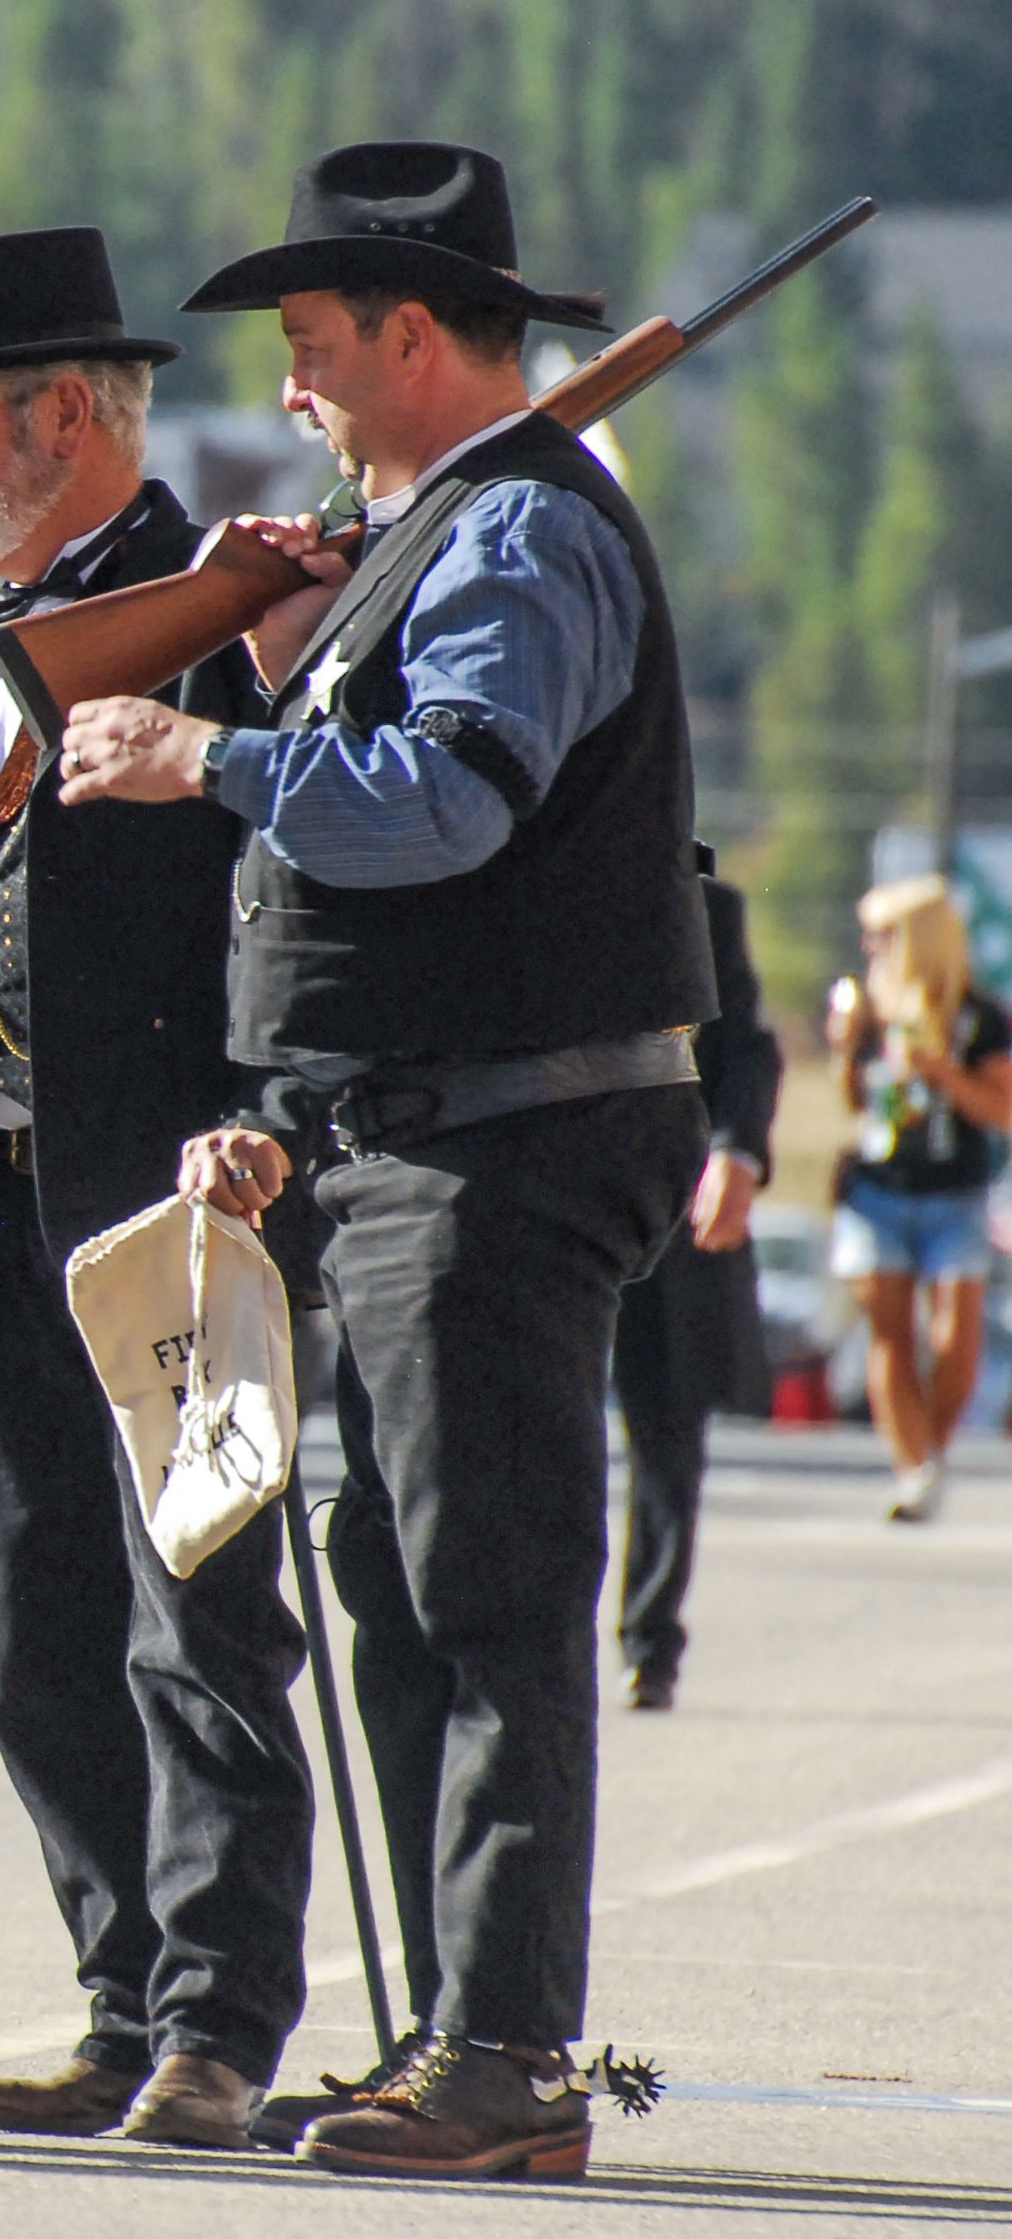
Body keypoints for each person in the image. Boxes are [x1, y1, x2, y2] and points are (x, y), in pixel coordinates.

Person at [63, 141, 714, 2178]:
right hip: (421, 1136)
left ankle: (510, 2056)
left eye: (320, 343)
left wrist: (212, 751)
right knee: (410, 1589)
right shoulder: (448, 528)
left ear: (417, 333)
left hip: (508, 1145)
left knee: (489, 1592)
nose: (298, 389)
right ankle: (462, 2033)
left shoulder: (514, 535)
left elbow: (447, 807)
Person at [0, 227, 310, 2150]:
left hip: (172, 1209)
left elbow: (308, 901)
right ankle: (121, 2005)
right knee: (40, 1643)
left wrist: (263, 1109)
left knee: (197, 1629)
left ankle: (217, 2026)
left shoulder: (236, 611)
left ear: (67, 411)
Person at [610, 875, 779, 1703]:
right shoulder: (512, 863)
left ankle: (651, 1642)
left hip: (668, 1206)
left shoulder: (704, 903)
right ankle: (525, 1642)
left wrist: (738, 1151)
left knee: (669, 1425)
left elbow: (747, 1044)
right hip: (541, 1194)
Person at [828, 874, 1010, 1524]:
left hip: (955, 1194)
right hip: (877, 1193)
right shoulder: (868, 1012)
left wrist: (943, 1074)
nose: (870, 947)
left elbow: (1004, 1109)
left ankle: (930, 1450)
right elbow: (852, 1107)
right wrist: (844, 1052)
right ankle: (915, 1472)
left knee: (957, 1339)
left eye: (884, 936)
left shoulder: (976, 1018)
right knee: (890, 1335)